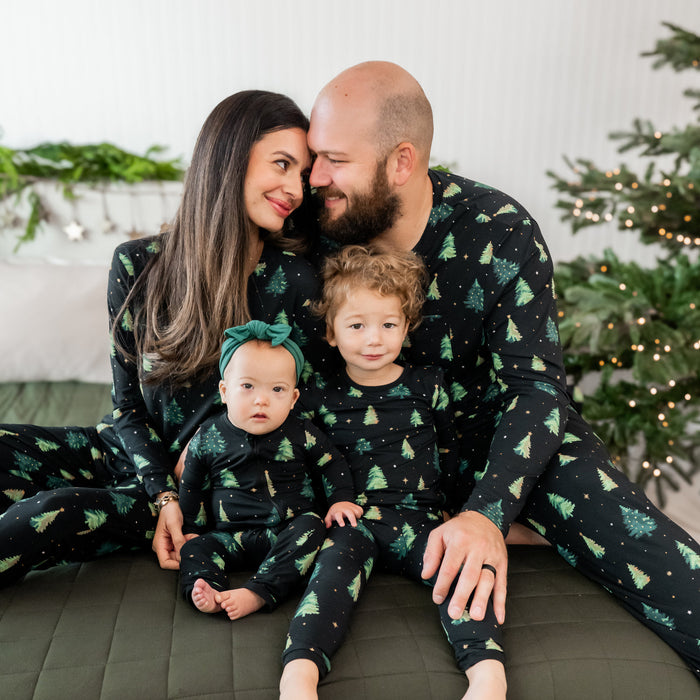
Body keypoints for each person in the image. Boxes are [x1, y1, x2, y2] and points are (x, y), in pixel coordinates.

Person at [283, 60, 700, 693]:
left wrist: (486, 515)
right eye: (314, 157)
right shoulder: (305, 237)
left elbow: (536, 389)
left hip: (496, 445)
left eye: (334, 160)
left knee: (673, 573)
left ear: (401, 161)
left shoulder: (500, 231)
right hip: (362, 456)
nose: (315, 178)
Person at [0, 90, 330, 585]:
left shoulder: (295, 281)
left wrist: (178, 496)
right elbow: (126, 407)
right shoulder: (135, 265)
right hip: (131, 458)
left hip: (212, 486)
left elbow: (301, 406)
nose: (296, 189)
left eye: (302, 175)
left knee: (47, 514)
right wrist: (161, 490)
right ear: (229, 157)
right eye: (282, 164)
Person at [280, 245, 507, 700]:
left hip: (422, 521)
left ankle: (486, 674)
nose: (373, 339)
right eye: (357, 326)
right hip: (353, 522)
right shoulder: (317, 396)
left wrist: (458, 513)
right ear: (331, 332)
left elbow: (450, 451)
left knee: (464, 570)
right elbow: (293, 457)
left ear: (406, 328)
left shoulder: (428, 385)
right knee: (328, 577)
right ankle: (300, 674)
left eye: (388, 325)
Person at [178, 320, 362, 620]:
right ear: (225, 391)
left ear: (293, 399)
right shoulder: (208, 435)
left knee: (312, 526)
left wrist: (340, 499)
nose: (261, 399)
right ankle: (208, 588)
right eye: (247, 386)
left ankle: (259, 592)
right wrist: (192, 528)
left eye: (277, 389)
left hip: (284, 532)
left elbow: (333, 463)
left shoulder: (302, 432)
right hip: (230, 536)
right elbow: (192, 483)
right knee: (193, 548)